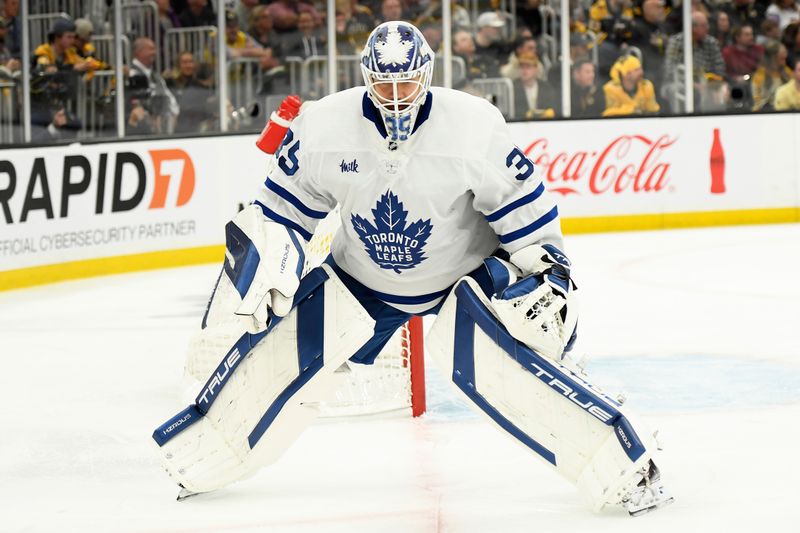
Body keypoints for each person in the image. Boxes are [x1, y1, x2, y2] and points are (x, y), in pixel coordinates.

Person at [152, 21, 673, 519]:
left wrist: (547, 270)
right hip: (362, 279)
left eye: (407, 80)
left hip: (461, 278)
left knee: (508, 375)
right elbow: (277, 213)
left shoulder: (473, 125)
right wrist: (270, 268)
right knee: (280, 355)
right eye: (385, 81)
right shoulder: (323, 125)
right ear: (365, 75)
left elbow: (525, 211)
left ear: (426, 74)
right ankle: (202, 455)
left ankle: (627, 465)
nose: (397, 93)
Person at [512, 52, 559, 118]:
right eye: (522, 67)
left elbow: (553, 109)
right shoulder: (512, 88)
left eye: (528, 67)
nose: (524, 70)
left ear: (536, 69)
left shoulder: (546, 88)